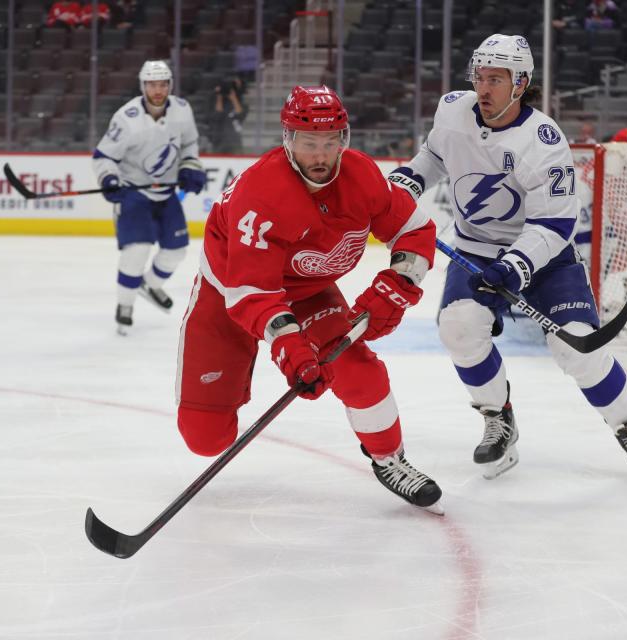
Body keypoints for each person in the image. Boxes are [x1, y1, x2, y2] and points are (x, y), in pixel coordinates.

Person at [389, 34, 627, 481]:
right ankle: (498, 419)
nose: (483, 88)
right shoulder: (453, 110)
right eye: (479, 76)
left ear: (520, 84)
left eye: (495, 79)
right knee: (458, 329)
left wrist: (516, 266)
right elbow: (434, 157)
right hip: (476, 250)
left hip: (546, 258)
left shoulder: (542, 139)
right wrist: (409, 181)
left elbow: (555, 224)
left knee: (575, 345)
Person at [175, 85, 443, 513]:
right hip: (230, 289)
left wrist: (399, 284)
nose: (320, 155)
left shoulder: (361, 176)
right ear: (288, 141)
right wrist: (289, 346)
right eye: (308, 143)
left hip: (308, 290)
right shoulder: (261, 195)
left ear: (344, 140)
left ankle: (389, 458)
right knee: (206, 438)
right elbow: (253, 293)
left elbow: (415, 227)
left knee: (357, 368)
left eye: (330, 142)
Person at [92, 60, 206, 333]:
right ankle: (125, 305)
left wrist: (190, 167)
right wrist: (109, 179)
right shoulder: (126, 117)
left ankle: (150, 284)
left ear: (170, 85)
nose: (158, 89)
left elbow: (190, 145)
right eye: (152, 84)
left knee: (176, 250)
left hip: (166, 194)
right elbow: (104, 157)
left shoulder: (181, 110)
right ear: (143, 86)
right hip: (134, 192)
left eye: (163, 84)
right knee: (137, 251)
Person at [207, 77, 248, 154]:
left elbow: (240, 115)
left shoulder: (242, 104)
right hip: (218, 141)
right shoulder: (213, 101)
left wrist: (233, 98)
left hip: (235, 141)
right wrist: (219, 97)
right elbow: (217, 116)